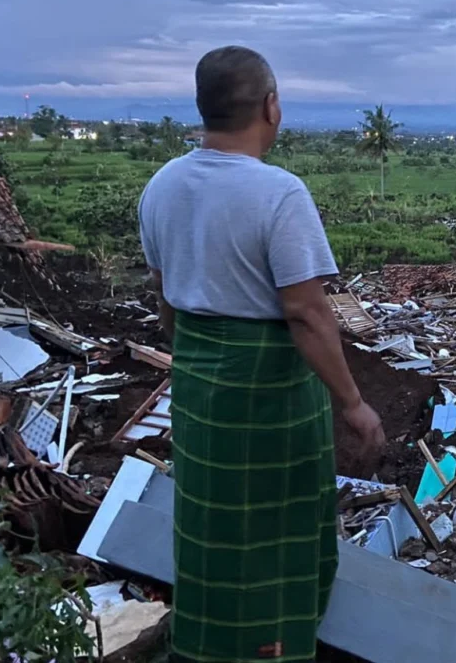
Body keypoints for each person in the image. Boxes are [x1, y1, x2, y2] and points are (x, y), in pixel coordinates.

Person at [138, 45, 386, 662]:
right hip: (270, 395)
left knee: (210, 529)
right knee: (278, 534)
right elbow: (306, 313)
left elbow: (166, 302)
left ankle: (204, 647)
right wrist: (353, 404)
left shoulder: (162, 186)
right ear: (271, 107)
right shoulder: (280, 194)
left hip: (198, 388)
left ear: (204, 109)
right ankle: (277, 648)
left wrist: (202, 358)